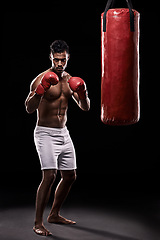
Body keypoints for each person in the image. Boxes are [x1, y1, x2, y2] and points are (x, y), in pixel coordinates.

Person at [25, 40, 90, 236]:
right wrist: (41, 90)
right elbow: (29, 108)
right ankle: (38, 222)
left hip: (63, 133)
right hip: (44, 133)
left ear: (68, 58)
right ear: (51, 57)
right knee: (50, 175)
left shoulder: (71, 80)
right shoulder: (41, 78)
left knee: (70, 176)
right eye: (56, 59)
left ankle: (54, 214)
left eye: (63, 60)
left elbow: (85, 107)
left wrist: (82, 92)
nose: (59, 64)